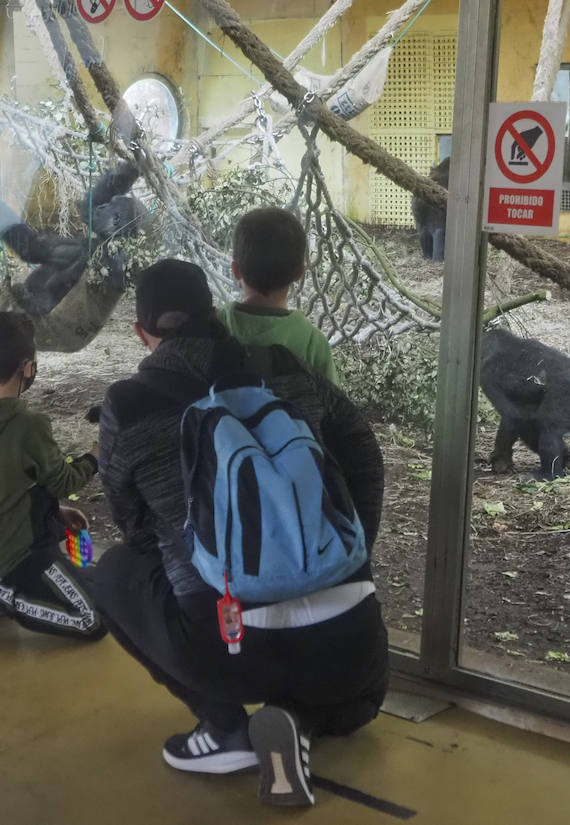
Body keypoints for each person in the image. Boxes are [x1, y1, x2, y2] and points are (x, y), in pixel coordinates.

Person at [93, 259, 387, 808]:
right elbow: (366, 458)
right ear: (215, 312)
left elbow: (133, 530)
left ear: (141, 334)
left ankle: (226, 727)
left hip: (227, 647)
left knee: (111, 573)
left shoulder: (127, 406)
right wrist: (350, 550)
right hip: (351, 650)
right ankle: (298, 721)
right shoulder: (284, 366)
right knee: (357, 708)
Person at [0, 311, 104, 643]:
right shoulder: (27, 424)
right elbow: (65, 482)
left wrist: (56, 513)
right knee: (92, 619)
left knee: (94, 582)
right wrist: (95, 457)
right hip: (19, 550)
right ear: (27, 367)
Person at [216, 207, 337, 383]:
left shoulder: (217, 326)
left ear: (236, 270)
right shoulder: (312, 343)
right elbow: (335, 405)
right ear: (300, 273)